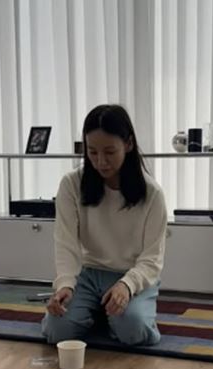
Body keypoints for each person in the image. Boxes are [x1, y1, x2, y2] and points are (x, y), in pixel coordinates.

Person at [41, 104, 167, 346]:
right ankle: (99, 314)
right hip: (88, 275)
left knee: (134, 329)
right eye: (92, 152)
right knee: (57, 331)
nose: (100, 161)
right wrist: (65, 285)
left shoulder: (152, 194)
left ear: (128, 144)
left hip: (131, 276)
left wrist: (127, 285)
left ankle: (106, 316)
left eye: (110, 152)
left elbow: (152, 259)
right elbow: (65, 243)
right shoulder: (71, 184)